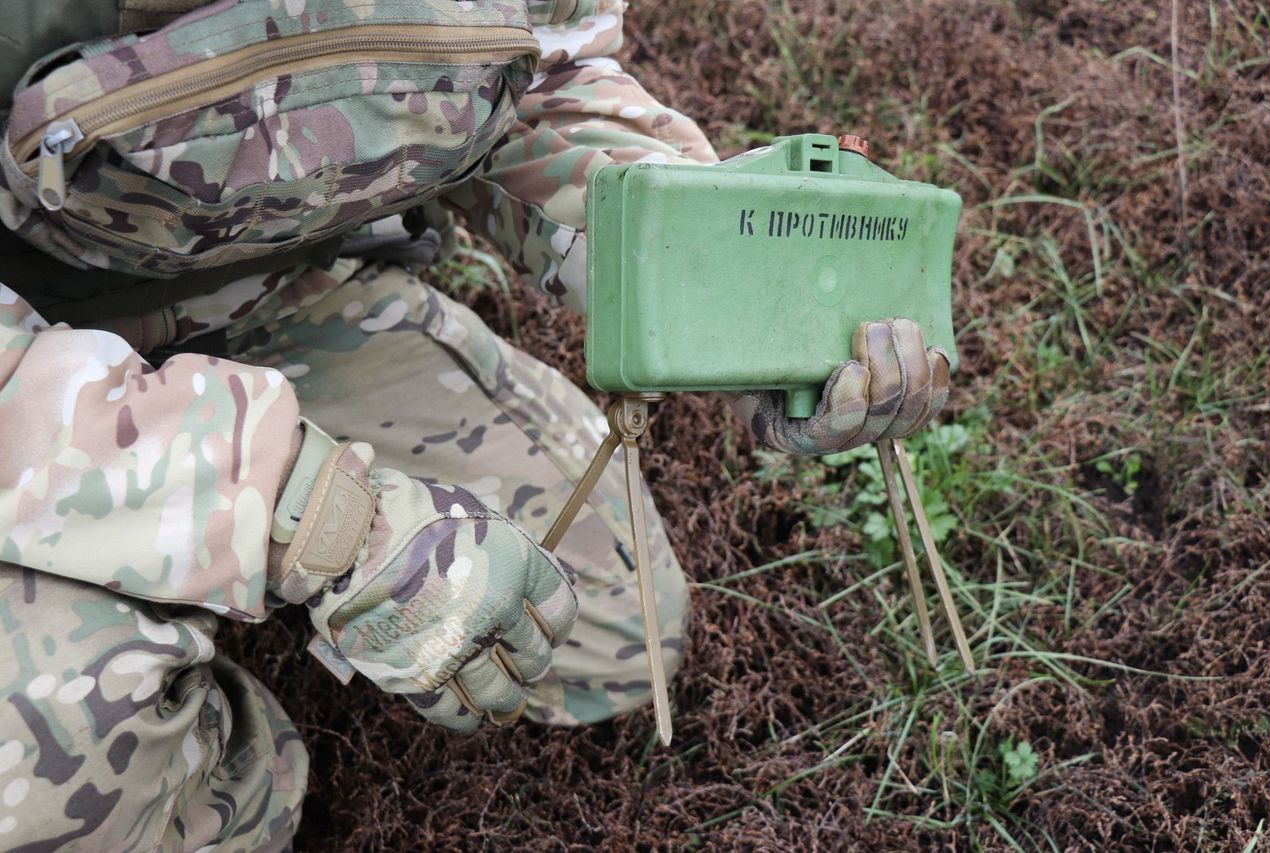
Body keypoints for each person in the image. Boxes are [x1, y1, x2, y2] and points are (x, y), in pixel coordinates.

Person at [0, 0, 952, 848]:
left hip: (259, 300)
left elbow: (536, 74)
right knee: (65, 771)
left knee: (601, 623)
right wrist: (314, 516)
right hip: (25, 358)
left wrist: (727, 297)